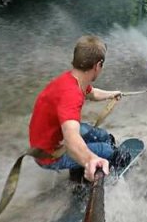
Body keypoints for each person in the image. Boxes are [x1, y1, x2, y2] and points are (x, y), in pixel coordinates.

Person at [29, 35, 123, 182]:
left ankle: (82, 164)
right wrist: (91, 159)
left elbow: (92, 93)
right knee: (108, 151)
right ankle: (90, 175)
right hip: (50, 156)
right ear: (97, 65)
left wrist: (113, 94)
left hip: (49, 139)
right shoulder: (71, 94)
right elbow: (71, 139)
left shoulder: (73, 79)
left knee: (103, 136)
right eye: (102, 66)